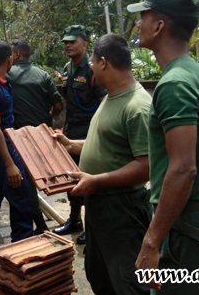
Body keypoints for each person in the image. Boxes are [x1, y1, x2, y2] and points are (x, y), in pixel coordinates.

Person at [130, 0, 199, 294]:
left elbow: (183, 169)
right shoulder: (198, 75)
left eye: (143, 16)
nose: (139, 24)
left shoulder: (175, 84)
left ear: (159, 26)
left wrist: (152, 241)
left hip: (189, 230)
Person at [53, 34, 152, 295]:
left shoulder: (137, 107)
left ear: (104, 63)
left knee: (128, 281)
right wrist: (70, 144)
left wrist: (97, 180)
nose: (91, 68)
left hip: (122, 210)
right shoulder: (110, 98)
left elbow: (146, 165)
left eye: (94, 63)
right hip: (99, 207)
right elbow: (104, 142)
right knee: (101, 276)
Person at [0, 41, 33, 268]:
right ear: (10, 60)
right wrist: (9, 164)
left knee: (22, 197)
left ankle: (22, 243)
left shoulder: (2, 83)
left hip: (10, 149)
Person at [53, 25, 107, 244]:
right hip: (72, 131)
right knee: (71, 178)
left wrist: (99, 136)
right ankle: (75, 220)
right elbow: (68, 105)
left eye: (72, 42)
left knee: (89, 182)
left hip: (89, 135)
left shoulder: (93, 70)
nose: (68, 45)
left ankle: (93, 228)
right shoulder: (68, 68)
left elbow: (105, 103)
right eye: (65, 42)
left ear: (84, 44)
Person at [7, 39, 64, 234]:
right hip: (43, 136)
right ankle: (69, 219)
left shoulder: (7, 76)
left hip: (20, 138)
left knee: (28, 183)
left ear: (15, 55)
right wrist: (48, 118)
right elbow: (58, 106)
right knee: (44, 178)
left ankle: (39, 225)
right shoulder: (43, 75)